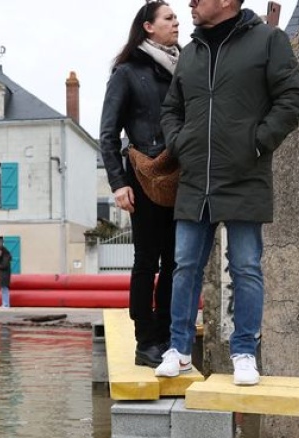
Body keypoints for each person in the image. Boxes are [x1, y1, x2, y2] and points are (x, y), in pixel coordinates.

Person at [154, 0, 299, 386]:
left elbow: (294, 99)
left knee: (246, 267)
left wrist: (255, 144)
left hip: (244, 175)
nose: (189, 2)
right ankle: (180, 350)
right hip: (195, 179)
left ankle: (244, 353)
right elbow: (171, 109)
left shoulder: (269, 41)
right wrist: (179, 144)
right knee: (184, 266)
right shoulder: (189, 53)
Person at [99, 0, 182, 368]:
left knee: (176, 261)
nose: (177, 21)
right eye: (169, 17)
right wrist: (118, 184)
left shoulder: (184, 68)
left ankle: (166, 336)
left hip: (181, 175)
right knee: (146, 259)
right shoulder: (127, 72)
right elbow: (107, 133)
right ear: (148, 27)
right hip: (143, 174)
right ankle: (144, 340)